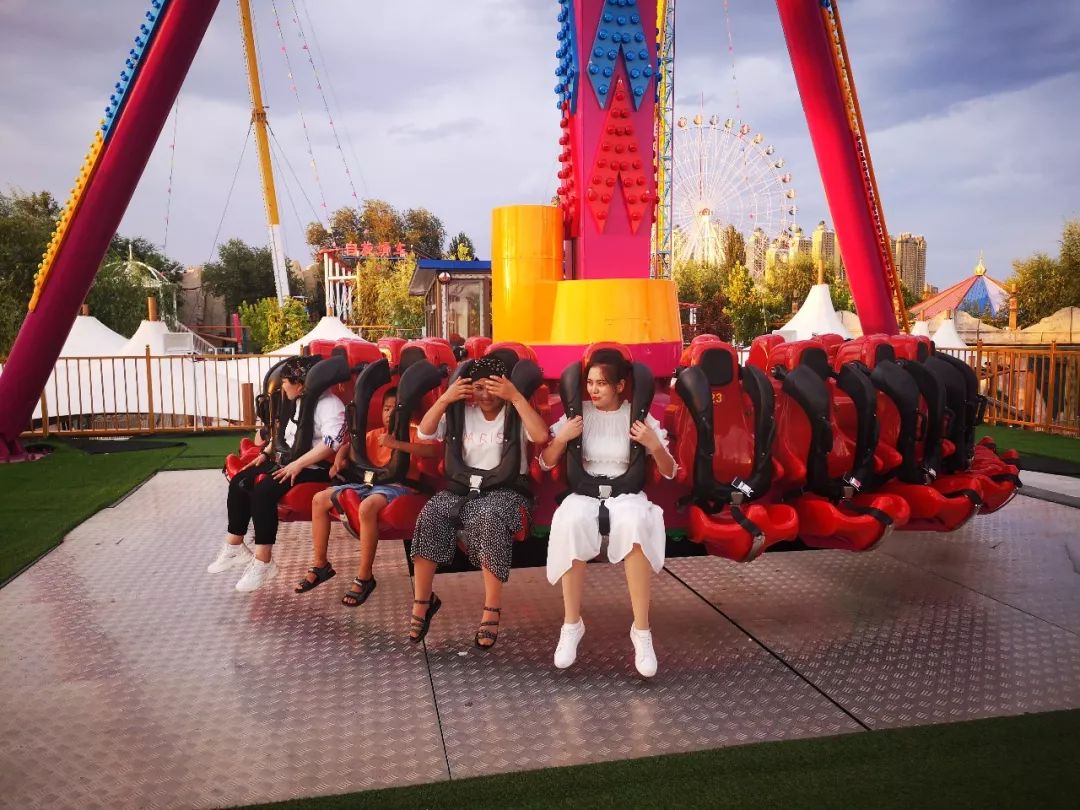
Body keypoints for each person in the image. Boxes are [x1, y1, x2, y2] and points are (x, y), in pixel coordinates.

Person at [539, 355, 677, 677]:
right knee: (571, 520)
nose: (594, 390)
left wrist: (654, 445)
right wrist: (562, 438)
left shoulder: (637, 417)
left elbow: (670, 471)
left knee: (636, 522)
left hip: (625, 494)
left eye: (602, 383)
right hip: (586, 493)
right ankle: (571, 624)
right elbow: (545, 462)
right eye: (590, 383)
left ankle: (641, 631)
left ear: (619, 385)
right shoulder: (578, 415)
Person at [409, 355, 548, 648]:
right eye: (479, 388)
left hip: (506, 493)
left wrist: (515, 397)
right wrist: (446, 398)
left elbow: (540, 435)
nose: (485, 395)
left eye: (492, 387)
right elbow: (424, 432)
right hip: (463, 491)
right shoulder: (462, 413)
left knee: (488, 516)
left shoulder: (514, 412)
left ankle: (491, 608)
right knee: (432, 513)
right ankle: (423, 600)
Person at [207, 356, 347, 592]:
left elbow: (331, 444)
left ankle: (264, 562)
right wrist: (265, 453)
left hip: (315, 468)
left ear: (300, 384)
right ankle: (234, 546)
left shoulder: (330, 404)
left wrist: (298, 464)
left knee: (264, 490)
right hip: (288, 462)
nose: (283, 386)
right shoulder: (299, 401)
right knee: (240, 481)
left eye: (285, 382)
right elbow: (286, 436)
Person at [295, 388, 440, 606]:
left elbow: (432, 452)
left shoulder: (413, 434)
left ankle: (365, 576)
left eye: (395, 409)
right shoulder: (375, 434)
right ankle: (320, 564)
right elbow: (348, 446)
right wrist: (339, 460)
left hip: (398, 487)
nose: (389, 414)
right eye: (386, 409)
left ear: (407, 414)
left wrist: (396, 444)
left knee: (368, 506)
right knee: (319, 499)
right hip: (368, 484)